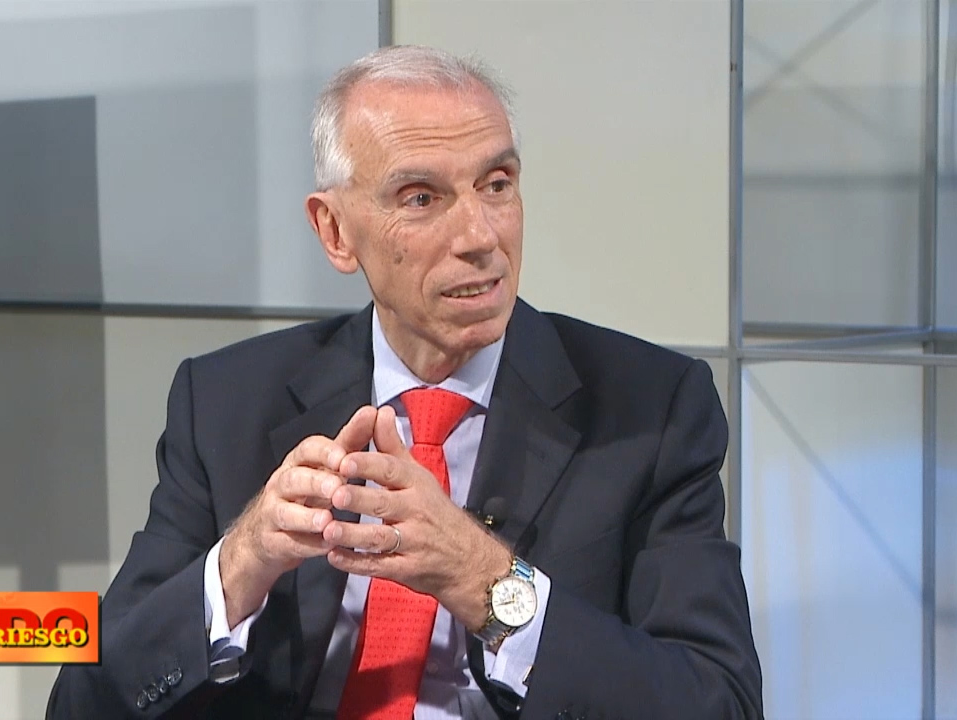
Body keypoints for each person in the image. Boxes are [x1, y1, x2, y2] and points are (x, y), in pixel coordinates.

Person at [47, 45, 763, 720]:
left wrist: (485, 581)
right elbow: (84, 699)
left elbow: (720, 702)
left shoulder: (651, 409)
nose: (480, 236)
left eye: (497, 185)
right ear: (335, 231)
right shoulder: (226, 403)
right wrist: (241, 562)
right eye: (422, 198)